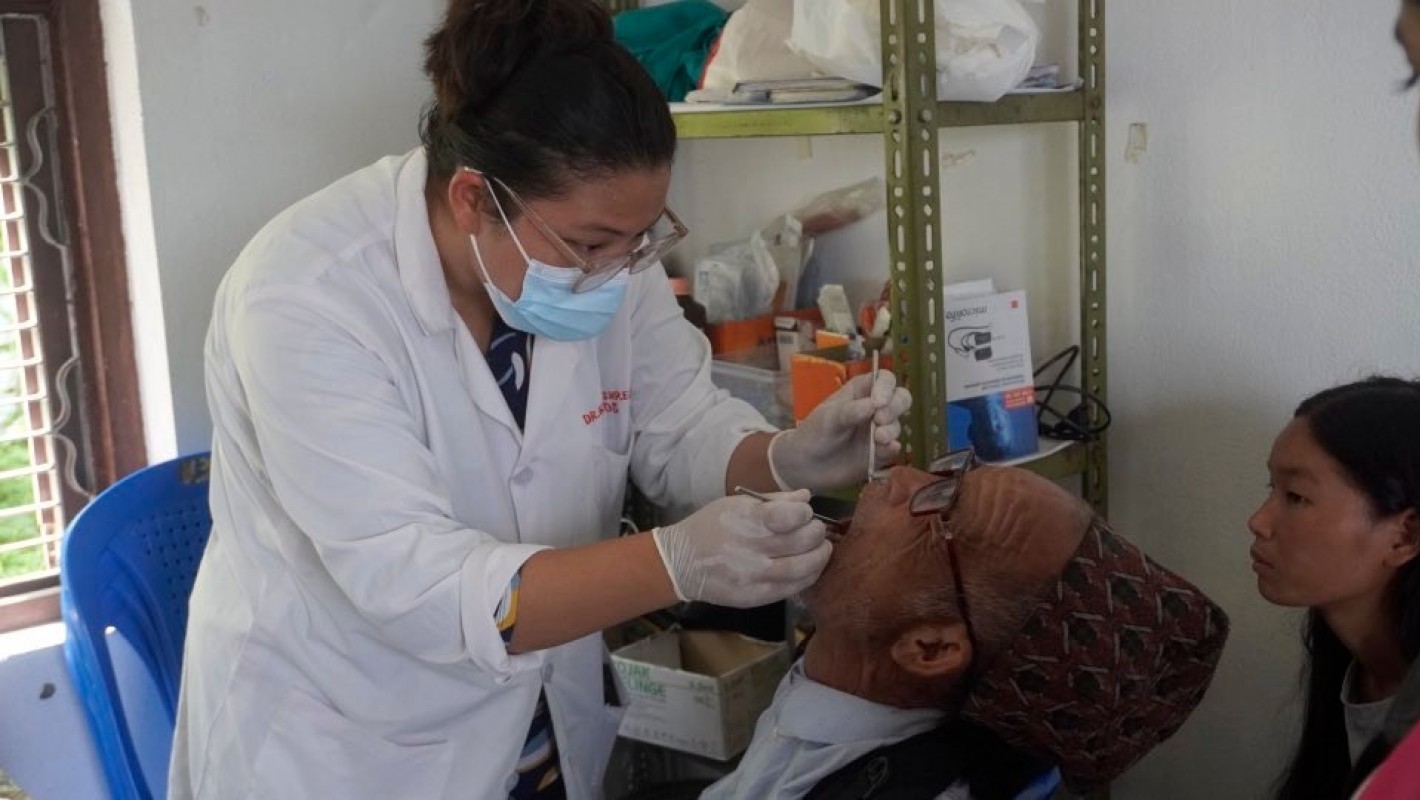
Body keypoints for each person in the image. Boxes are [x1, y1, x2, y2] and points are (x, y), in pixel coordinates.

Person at [168, 2, 912, 798]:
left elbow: (678, 425)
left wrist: (784, 456)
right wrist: (674, 562)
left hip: (539, 720)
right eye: (592, 245)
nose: (621, 269)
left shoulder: (607, 253)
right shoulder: (305, 297)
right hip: (352, 743)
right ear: (471, 200)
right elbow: (419, 588)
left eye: (640, 240)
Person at [705, 457, 1229, 799]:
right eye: (950, 474)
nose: (899, 476)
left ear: (929, 648)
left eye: (940, 508)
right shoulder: (836, 680)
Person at [1249, 378, 1420, 799]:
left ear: (1405, 537)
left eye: (1296, 497)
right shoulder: (1358, 672)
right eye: (1272, 489)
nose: (1259, 521)